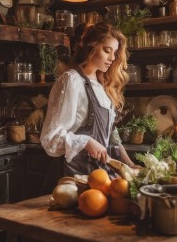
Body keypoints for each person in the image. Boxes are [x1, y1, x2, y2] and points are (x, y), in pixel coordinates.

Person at [40, 23, 135, 177]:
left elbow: (111, 134)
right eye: (107, 50)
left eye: (115, 52)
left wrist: (130, 165)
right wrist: (85, 141)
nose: (112, 58)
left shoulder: (102, 85)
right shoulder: (71, 80)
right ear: (91, 47)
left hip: (98, 174)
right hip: (75, 175)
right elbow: (51, 137)